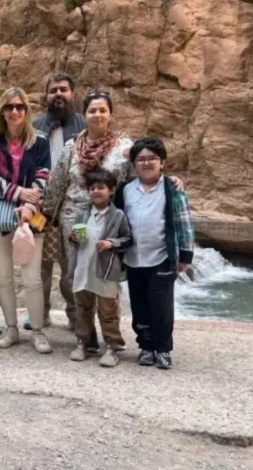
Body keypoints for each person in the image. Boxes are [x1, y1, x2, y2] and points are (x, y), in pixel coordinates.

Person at [42, 90, 134, 351]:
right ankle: (85, 337)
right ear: (84, 115)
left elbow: (140, 176)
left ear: (110, 114)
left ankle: (112, 339)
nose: (97, 115)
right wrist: (46, 216)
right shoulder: (72, 147)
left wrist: (169, 181)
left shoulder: (124, 148)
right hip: (75, 221)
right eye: (92, 110)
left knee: (106, 276)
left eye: (102, 110)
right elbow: (57, 182)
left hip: (109, 221)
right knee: (79, 277)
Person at [0, 87, 52, 352]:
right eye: (9, 107)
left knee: (32, 278)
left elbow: (44, 176)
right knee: (3, 277)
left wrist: (29, 205)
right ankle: (10, 328)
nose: (14, 112)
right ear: (2, 110)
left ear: (26, 111)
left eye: (20, 107)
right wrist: (19, 192)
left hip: (31, 218)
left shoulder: (40, 141)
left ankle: (37, 330)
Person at [114, 137, 195, 370]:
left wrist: (185, 255)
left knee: (160, 305)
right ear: (134, 163)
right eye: (141, 159)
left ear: (162, 162)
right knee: (139, 305)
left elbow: (184, 222)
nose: (146, 163)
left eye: (152, 158)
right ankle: (145, 347)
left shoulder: (172, 189)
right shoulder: (126, 191)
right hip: (134, 258)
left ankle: (163, 349)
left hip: (162, 257)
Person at [30, 72, 86, 331]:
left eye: (63, 89)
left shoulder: (83, 126)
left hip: (72, 208)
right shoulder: (35, 126)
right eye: (53, 91)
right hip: (40, 207)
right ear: (47, 96)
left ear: (72, 94)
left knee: (70, 266)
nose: (58, 95)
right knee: (40, 267)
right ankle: (39, 315)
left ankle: (75, 315)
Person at [67, 169, 132, 367]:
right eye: (92, 188)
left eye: (101, 187)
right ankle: (84, 342)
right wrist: (73, 238)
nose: (96, 191)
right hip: (83, 268)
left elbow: (127, 239)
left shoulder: (118, 215)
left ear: (111, 190)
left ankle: (112, 346)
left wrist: (111, 243)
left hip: (105, 270)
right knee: (83, 308)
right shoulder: (83, 214)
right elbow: (75, 240)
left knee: (108, 310)